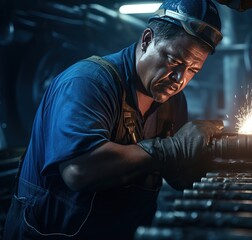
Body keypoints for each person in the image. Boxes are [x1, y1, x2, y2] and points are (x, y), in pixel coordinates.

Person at [2, 0, 224, 239]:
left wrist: (209, 157)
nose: (180, 79)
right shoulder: (89, 82)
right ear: (147, 39)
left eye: (193, 70)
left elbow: (176, 171)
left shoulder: (173, 102)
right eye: (174, 61)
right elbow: (78, 170)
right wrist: (170, 149)